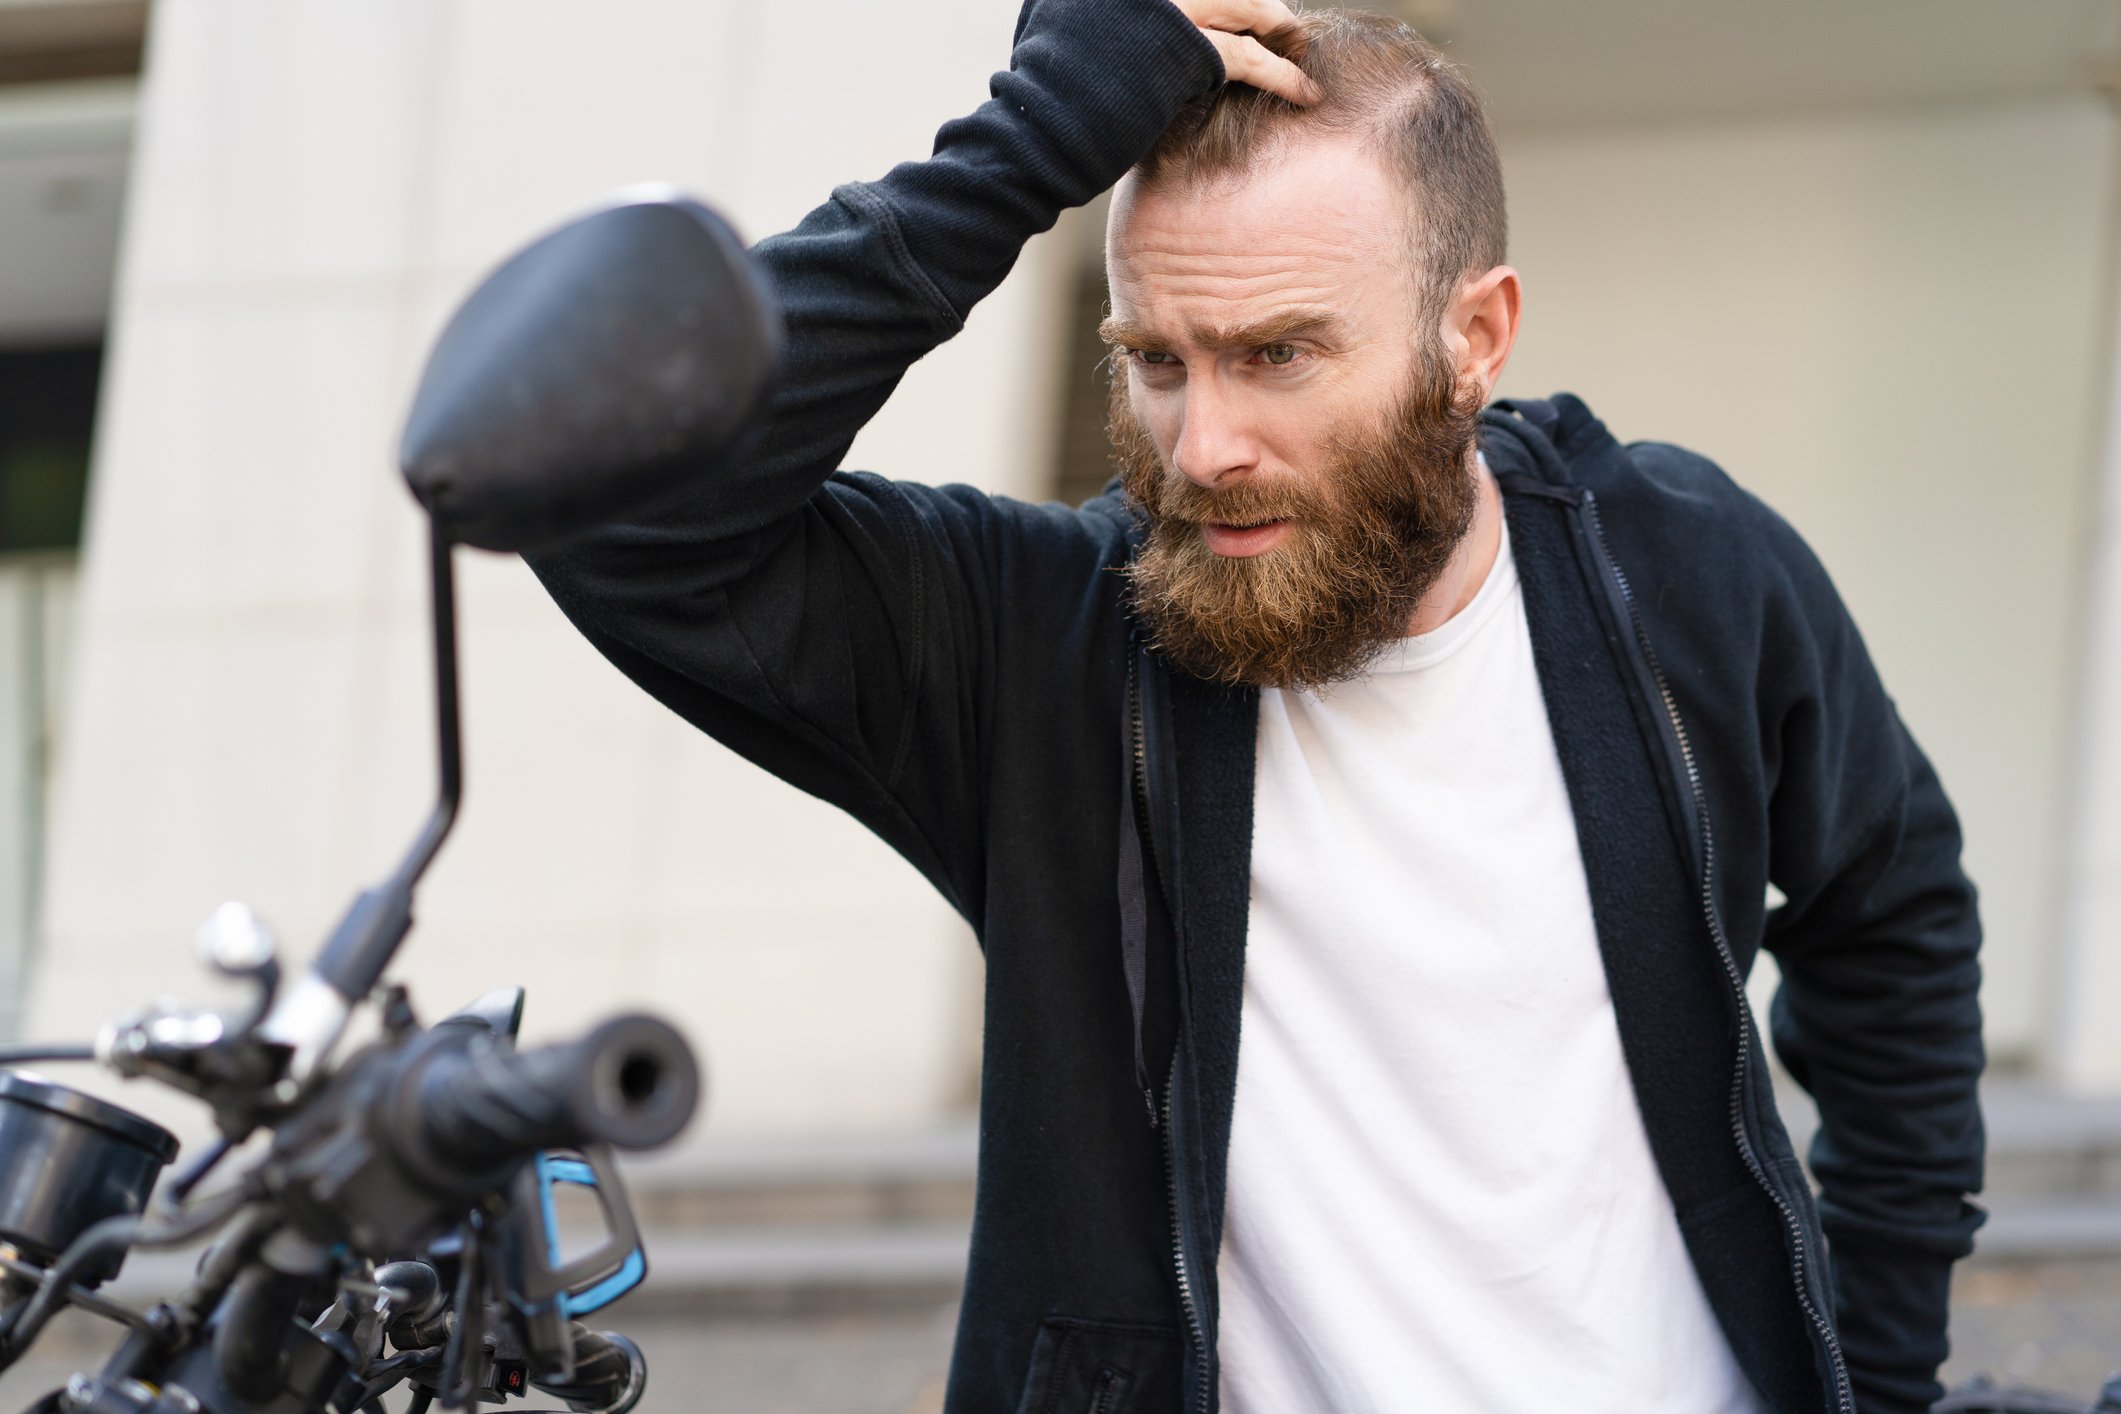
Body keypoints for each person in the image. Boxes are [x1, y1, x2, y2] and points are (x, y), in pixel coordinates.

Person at [526, 1, 1986, 1410]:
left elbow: (1892, 906)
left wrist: (1881, 1368)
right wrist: (1032, 139)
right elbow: (620, 501)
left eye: (1277, 353)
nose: (1204, 443)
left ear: (1474, 337)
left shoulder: (1684, 567)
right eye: (1154, 359)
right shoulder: (1039, 651)